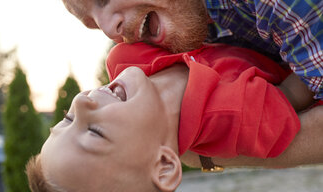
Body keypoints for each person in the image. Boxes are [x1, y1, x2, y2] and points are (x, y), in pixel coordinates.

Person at [26, 42, 315, 192]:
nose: (80, 101)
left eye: (68, 118)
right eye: (95, 132)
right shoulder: (234, 118)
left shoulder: (125, 58)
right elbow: (300, 86)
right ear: (163, 165)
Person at [61, 0, 323, 167]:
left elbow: (284, 104)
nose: (108, 29)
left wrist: (207, 158)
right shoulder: (196, 24)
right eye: (92, 24)